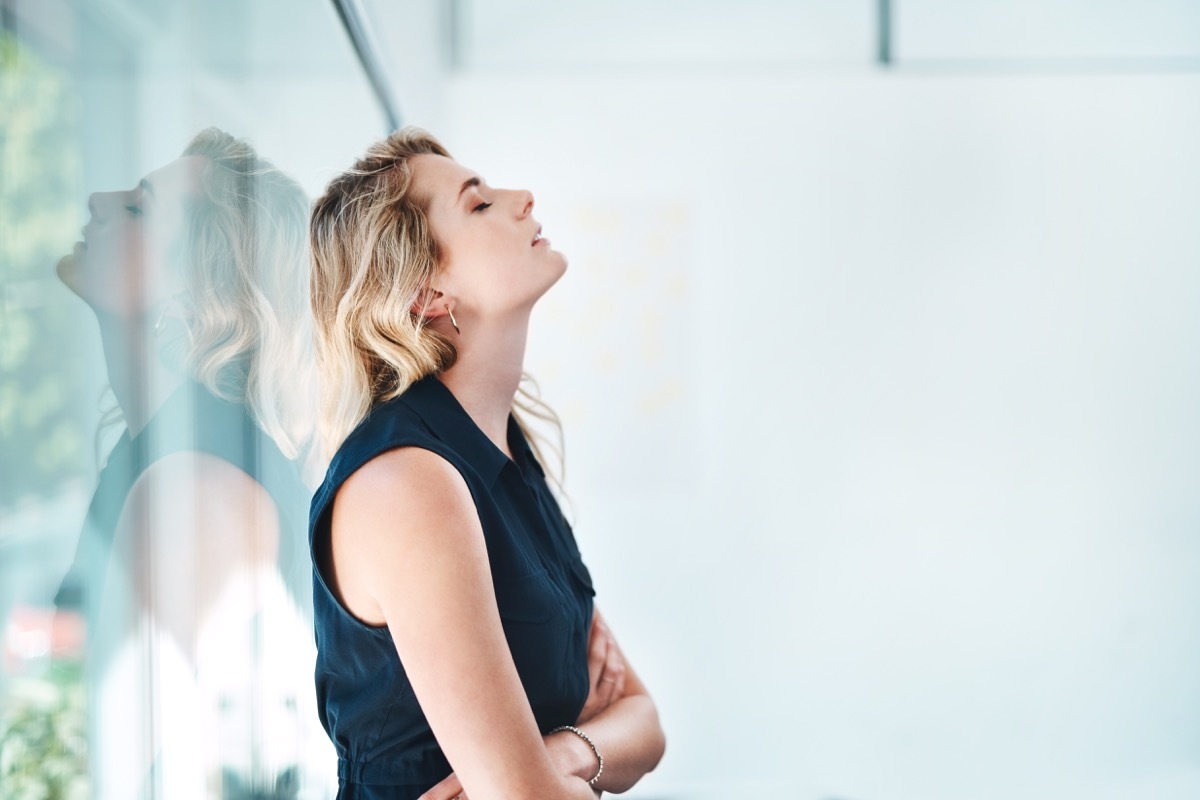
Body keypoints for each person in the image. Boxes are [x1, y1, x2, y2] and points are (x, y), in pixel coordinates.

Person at [308, 127, 666, 799]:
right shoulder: (408, 482)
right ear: (427, 293)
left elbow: (646, 726)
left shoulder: (506, 447)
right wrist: (577, 769)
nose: (523, 198)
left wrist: (562, 756)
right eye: (478, 205)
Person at [54, 128, 325, 798]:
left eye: (141, 209)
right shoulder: (174, 448)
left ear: (196, 296)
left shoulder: (197, 485)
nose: (98, 199)